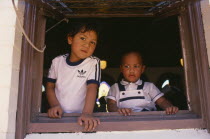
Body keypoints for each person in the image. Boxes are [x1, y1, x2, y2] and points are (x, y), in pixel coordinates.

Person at [46, 23, 101, 131]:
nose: (87, 45)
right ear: (70, 39)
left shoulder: (93, 62)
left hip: (81, 118)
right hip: (59, 118)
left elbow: (92, 88)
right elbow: (49, 87)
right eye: (82, 38)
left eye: (92, 42)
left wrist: (87, 113)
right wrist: (54, 106)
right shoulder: (57, 61)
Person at [106, 51, 179, 116]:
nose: (131, 70)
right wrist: (118, 111)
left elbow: (162, 101)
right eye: (127, 66)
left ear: (142, 69)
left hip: (148, 120)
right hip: (124, 121)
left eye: (136, 66)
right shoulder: (115, 88)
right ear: (121, 69)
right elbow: (110, 105)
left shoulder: (149, 86)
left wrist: (169, 107)